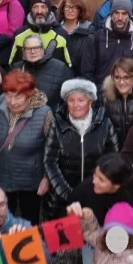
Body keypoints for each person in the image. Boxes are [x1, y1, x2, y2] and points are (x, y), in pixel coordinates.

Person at [0, 70, 54, 225]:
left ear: (29, 95)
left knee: (29, 222)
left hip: (31, 179)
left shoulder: (44, 113)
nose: (12, 102)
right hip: (2, 175)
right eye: (8, 95)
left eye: (18, 97)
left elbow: (53, 148)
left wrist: (47, 178)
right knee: (1, 221)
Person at [45, 78, 119, 215]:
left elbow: (113, 158)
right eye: (71, 100)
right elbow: (50, 162)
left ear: (90, 101)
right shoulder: (57, 124)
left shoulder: (104, 123)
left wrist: (96, 189)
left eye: (81, 100)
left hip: (97, 194)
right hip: (63, 198)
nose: (75, 105)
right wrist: (68, 194)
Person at [80, 0, 133, 85]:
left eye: (124, 14)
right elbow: (87, 73)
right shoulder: (96, 38)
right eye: (116, 13)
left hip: (129, 90)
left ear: (129, 16)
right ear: (111, 15)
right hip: (102, 91)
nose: (120, 18)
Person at [11, 34, 73, 112]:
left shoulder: (60, 68)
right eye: (28, 49)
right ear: (23, 51)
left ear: (43, 49)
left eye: (36, 48)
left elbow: (71, 96)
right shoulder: (16, 68)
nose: (32, 52)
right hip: (22, 116)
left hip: (51, 116)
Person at [10, 0, 70, 66]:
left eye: (43, 7)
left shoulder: (60, 34)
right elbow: (12, 64)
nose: (39, 11)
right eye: (35, 7)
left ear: (49, 10)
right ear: (31, 10)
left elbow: (68, 65)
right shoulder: (20, 34)